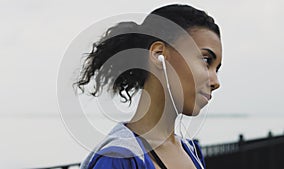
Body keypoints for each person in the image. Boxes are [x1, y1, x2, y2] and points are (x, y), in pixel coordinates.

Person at [76, 4, 222, 169]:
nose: (216, 82)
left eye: (217, 69)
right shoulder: (118, 160)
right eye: (206, 60)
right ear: (159, 54)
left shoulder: (191, 151)